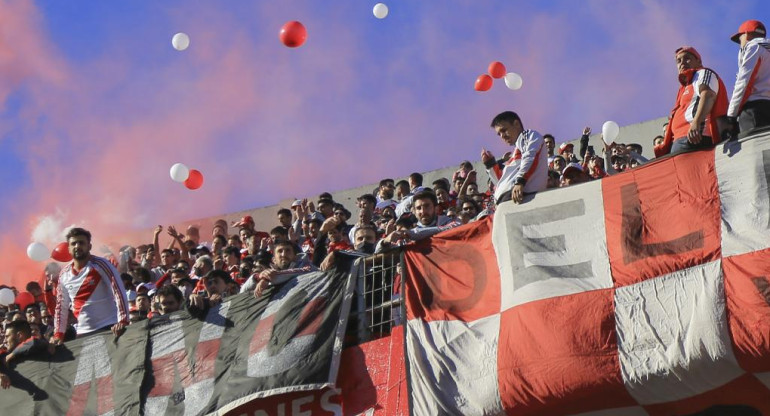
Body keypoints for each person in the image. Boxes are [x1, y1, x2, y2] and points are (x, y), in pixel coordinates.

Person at [51, 228, 130, 347]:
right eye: (73, 243)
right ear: (68, 248)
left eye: (81, 243)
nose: (77, 246)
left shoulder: (101, 264)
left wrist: (123, 321)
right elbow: (61, 307)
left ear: (89, 246)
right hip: (83, 333)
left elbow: (118, 292)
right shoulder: (64, 274)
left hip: (110, 327)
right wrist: (58, 335)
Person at [655, 46, 728, 156]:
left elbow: (708, 95)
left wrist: (696, 123)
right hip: (680, 140)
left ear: (698, 61)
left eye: (687, 58)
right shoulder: (684, 87)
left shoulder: (702, 73)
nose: (682, 63)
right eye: (678, 61)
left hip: (694, 137)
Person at [483, 111, 548, 204]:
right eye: (499, 134)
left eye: (504, 130)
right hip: (507, 201)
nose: (502, 136)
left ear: (516, 124)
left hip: (521, 197)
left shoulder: (527, 135)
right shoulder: (515, 154)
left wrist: (520, 182)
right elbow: (502, 182)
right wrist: (490, 165)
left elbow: (530, 157)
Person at [727, 20, 770, 133]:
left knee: (755, 148)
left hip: (755, 109)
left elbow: (744, 82)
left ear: (746, 34)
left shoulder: (754, 46)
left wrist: (731, 115)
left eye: (739, 39)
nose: (740, 44)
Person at [1, 320, 48, 389]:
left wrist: (13, 354)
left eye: (7, 336)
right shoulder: (3, 354)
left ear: (19, 336)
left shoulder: (36, 348)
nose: (4, 340)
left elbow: (34, 342)